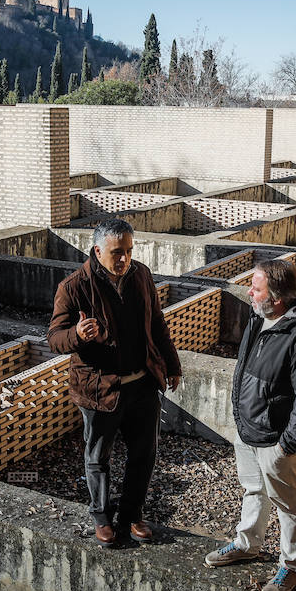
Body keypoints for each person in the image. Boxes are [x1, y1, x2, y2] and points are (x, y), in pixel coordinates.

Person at [48, 218, 182, 546]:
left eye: (129, 251)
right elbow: (54, 339)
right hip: (99, 389)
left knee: (143, 453)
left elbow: (157, 324)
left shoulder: (141, 275)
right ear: (97, 250)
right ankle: (102, 518)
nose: (125, 259)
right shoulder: (74, 286)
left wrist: (171, 364)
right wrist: (77, 335)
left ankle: (132, 514)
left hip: (143, 384)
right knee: (98, 457)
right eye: (117, 252)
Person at [205, 258, 296, 591]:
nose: (249, 291)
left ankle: (291, 566)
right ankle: (247, 544)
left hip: (277, 440)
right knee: (253, 490)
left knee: (288, 503)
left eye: (255, 287)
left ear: (275, 297)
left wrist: (288, 445)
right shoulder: (259, 316)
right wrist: (240, 416)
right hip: (249, 428)